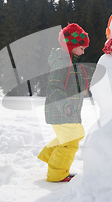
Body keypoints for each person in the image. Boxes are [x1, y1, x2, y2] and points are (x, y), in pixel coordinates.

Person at [37, 23, 90, 182]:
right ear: (71, 44)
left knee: (77, 134)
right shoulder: (62, 62)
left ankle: (49, 155)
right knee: (70, 142)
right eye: (81, 46)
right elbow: (53, 87)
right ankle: (57, 174)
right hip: (61, 110)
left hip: (68, 110)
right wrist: (65, 105)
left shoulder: (71, 62)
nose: (83, 49)